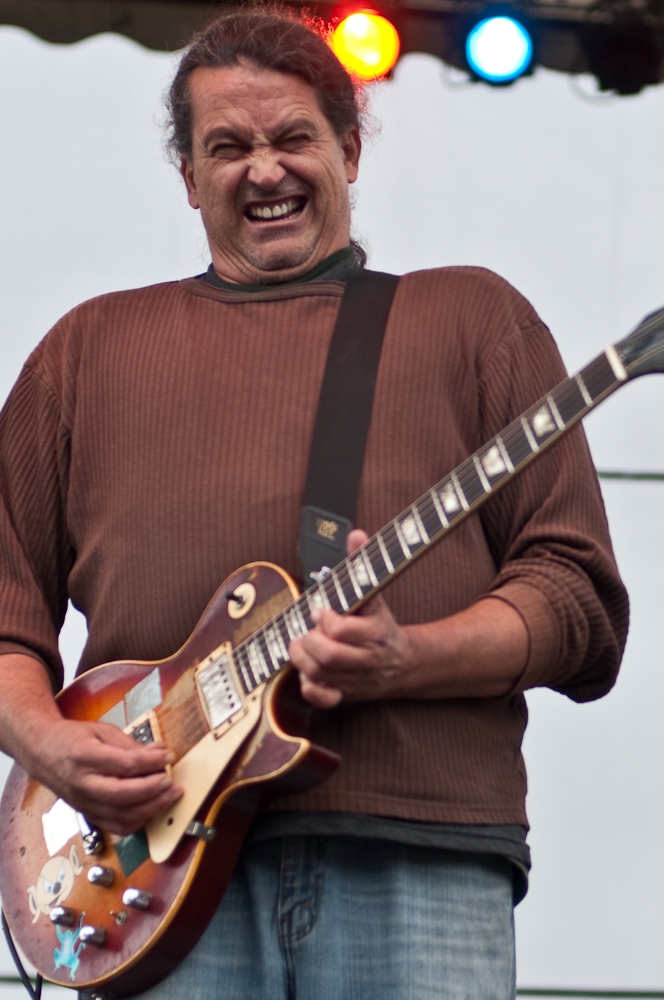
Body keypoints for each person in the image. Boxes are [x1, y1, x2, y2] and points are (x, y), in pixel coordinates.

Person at [0, 8, 628, 999]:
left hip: (421, 847)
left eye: (292, 137)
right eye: (228, 147)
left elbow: (577, 600)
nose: (264, 170)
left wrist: (409, 658)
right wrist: (43, 740)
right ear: (186, 176)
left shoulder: (472, 319)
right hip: (137, 875)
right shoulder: (85, 350)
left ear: (347, 148)